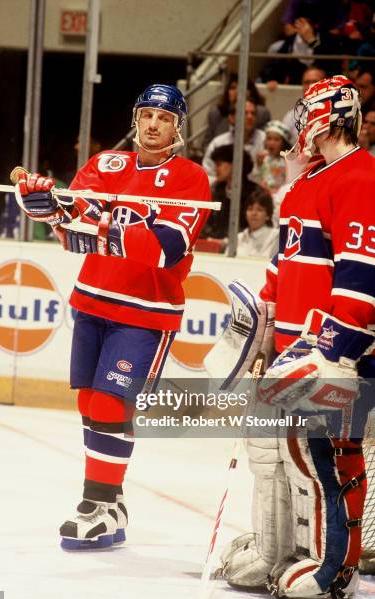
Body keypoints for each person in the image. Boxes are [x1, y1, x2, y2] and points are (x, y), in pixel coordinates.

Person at [15, 84, 211, 550]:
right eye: (146, 115)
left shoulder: (190, 177)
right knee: (89, 402)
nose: (153, 124)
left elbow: (168, 248)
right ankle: (112, 502)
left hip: (147, 311)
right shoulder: (108, 164)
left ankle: (95, 505)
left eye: (164, 118)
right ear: (136, 119)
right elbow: (76, 212)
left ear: (178, 127)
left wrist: (94, 223)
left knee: (110, 404)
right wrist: (44, 204)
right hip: (93, 299)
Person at [220, 76, 375, 599]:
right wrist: (264, 327)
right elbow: (283, 265)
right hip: (292, 342)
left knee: (323, 454)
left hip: (335, 347)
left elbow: (362, 272)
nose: (297, 123)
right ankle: (276, 550)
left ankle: (336, 569)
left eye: (306, 112)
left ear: (331, 117)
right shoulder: (307, 181)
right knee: (268, 447)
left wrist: (337, 347)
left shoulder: (361, 176)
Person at [201, 144, 261, 239]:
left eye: (219, 164)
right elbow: (207, 220)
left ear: (234, 165)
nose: (215, 169)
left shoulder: (255, 192)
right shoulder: (215, 189)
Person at [202, 99, 265, 184]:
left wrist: (260, 166)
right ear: (232, 118)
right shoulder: (218, 143)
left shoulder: (266, 140)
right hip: (223, 191)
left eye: (253, 113)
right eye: (245, 113)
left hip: (255, 191)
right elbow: (207, 175)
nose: (250, 117)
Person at [202, 73, 270, 149]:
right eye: (233, 88)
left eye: (242, 86)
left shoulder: (262, 114)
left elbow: (267, 144)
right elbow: (206, 144)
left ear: (250, 91)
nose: (237, 91)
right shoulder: (216, 113)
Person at [281, 65, 326, 143]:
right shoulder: (291, 116)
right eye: (306, 82)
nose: (310, 86)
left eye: (315, 82)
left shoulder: (335, 112)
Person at [236, 190, 279, 258]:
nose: (254, 213)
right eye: (250, 209)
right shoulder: (239, 237)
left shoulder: (275, 236)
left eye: (259, 210)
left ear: (268, 215)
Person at [252, 120, 291, 194]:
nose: (271, 143)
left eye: (276, 140)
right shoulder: (262, 158)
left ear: (283, 143)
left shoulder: (288, 161)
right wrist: (259, 165)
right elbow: (255, 180)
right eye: (269, 138)